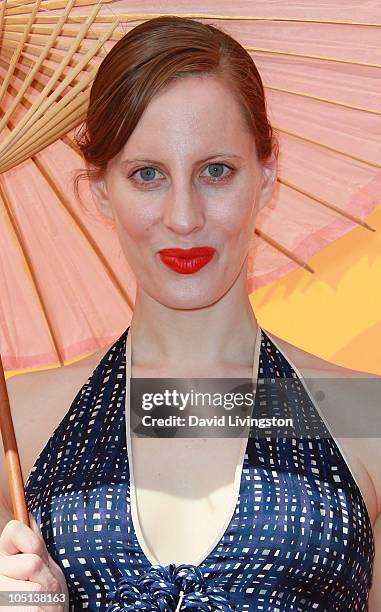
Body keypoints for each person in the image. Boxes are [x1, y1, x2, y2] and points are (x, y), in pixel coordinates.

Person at [0, 14, 380, 611]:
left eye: (216, 171)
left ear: (267, 174)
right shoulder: (16, 429)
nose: (183, 217)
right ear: (101, 189)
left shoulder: (367, 416)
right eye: (147, 174)